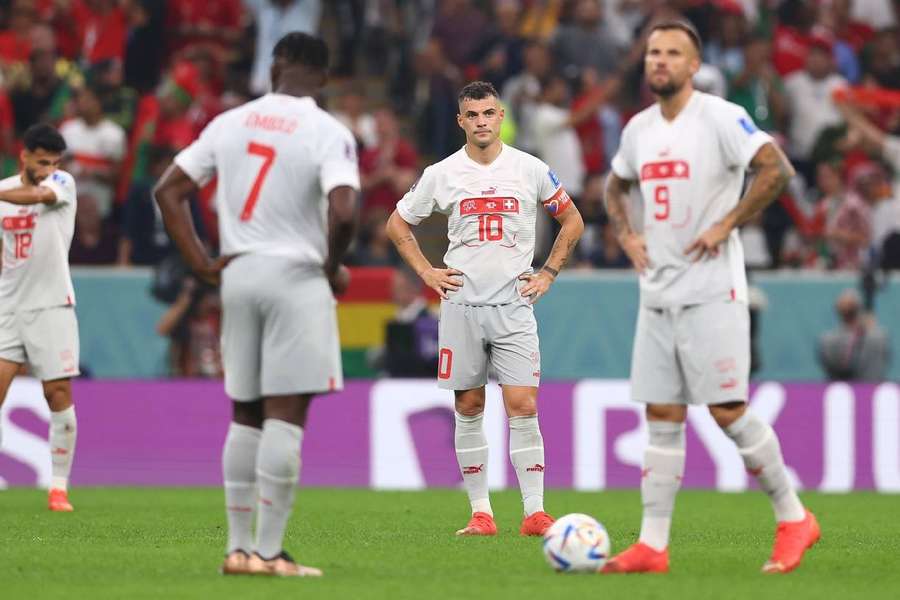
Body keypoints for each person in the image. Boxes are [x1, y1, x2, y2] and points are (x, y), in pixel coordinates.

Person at [602, 21, 820, 575]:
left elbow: (776, 168)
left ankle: (794, 517)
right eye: (654, 53)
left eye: (674, 53)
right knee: (662, 413)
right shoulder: (638, 129)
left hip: (712, 290)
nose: (661, 62)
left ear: (694, 65)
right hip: (657, 292)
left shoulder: (720, 117)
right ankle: (652, 544)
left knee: (726, 409)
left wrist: (726, 223)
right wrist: (628, 236)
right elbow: (614, 184)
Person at [153, 32, 358, 577]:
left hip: (237, 273)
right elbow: (344, 212)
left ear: (276, 66)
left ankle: (238, 549)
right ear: (324, 76)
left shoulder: (229, 122)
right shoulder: (327, 131)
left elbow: (168, 191)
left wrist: (200, 261)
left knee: (244, 413)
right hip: (295, 275)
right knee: (285, 414)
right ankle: (269, 554)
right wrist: (332, 265)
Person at [386, 81, 585, 538]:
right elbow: (397, 223)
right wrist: (427, 273)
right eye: (472, 115)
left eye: (489, 113)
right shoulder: (443, 173)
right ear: (461, 121)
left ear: (501, 116)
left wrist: (549, 272)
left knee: (523, 404)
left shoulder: (531, 169)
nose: (481, 122)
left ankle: (535, 512)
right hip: (461, 306)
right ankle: (481, 514)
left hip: (515, 305)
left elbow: (571, 218)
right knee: (469, 404)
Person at [0, 124, 80, 512]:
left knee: (57, 394)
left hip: (51, 305)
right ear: (25, 155)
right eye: (42, 161)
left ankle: (59, 487)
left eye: (54, 162)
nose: (49, 168)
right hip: (8, 307)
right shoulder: (4, 193)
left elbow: (39, 195)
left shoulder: (63, 183)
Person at [817, 288, 890, 381]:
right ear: (859, 310)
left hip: (842, 391)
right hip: (869, 390)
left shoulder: (826, 341)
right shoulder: (880, 337)